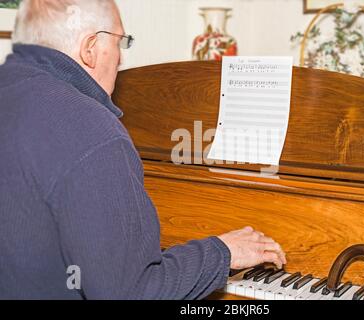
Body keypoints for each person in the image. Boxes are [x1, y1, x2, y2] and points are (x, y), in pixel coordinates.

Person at [0, 0, 286, 300]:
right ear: (90, 47)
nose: (121, 59)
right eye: (119, 42)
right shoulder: (92, 131)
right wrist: (223, 252)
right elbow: (132, 292)